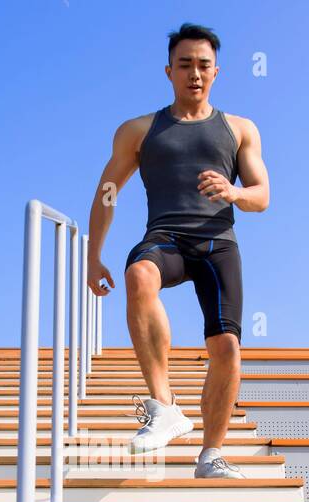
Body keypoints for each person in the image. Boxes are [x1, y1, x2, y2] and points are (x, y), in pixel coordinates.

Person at [85, 22, 270, 478]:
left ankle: (211, 455)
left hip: (217, 242)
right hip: (165, 235)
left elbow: (262, 196)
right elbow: (108, 190)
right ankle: (164, 405)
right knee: (139, 275)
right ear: (169, 71)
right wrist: (94, 255)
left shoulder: (240, 129)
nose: (195, 73)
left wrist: (233, 191)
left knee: (226, 346)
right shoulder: (139, 130)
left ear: (217, 71)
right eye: (185, 64)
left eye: (203, 65)